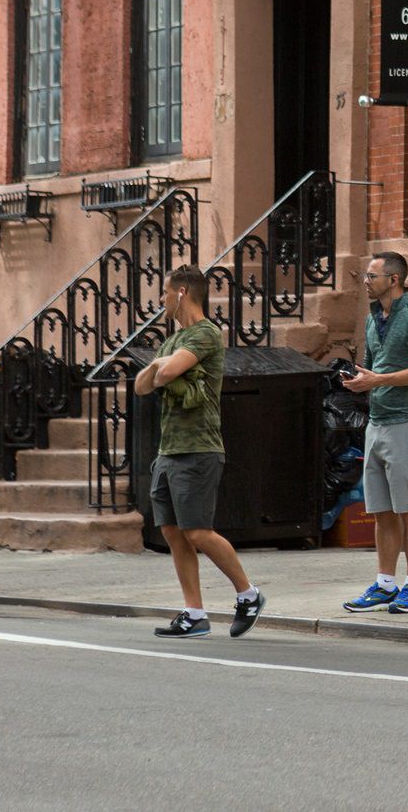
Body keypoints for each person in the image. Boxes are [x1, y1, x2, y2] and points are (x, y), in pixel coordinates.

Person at [133, 265, 264, 638]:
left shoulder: (206, 334)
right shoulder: (172, 340)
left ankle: (248, 594)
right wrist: (160, 366)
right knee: (173, 532)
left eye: (164, 292)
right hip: (168, 449)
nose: (160, 301)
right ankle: (194, 613)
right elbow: (144, 384)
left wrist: (160, 368)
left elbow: (165, 373)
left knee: (198, 532)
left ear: (181, 293)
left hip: (198, 448)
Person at [341, 252, 408, 615]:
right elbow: (377, 367)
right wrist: (361, 381)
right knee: (381, 509)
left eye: (371, 276)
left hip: (407, 423)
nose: (366, 281)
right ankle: (385, 583)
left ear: (393, 280)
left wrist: (378, 380)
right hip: (377, 421)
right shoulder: (372, 319)